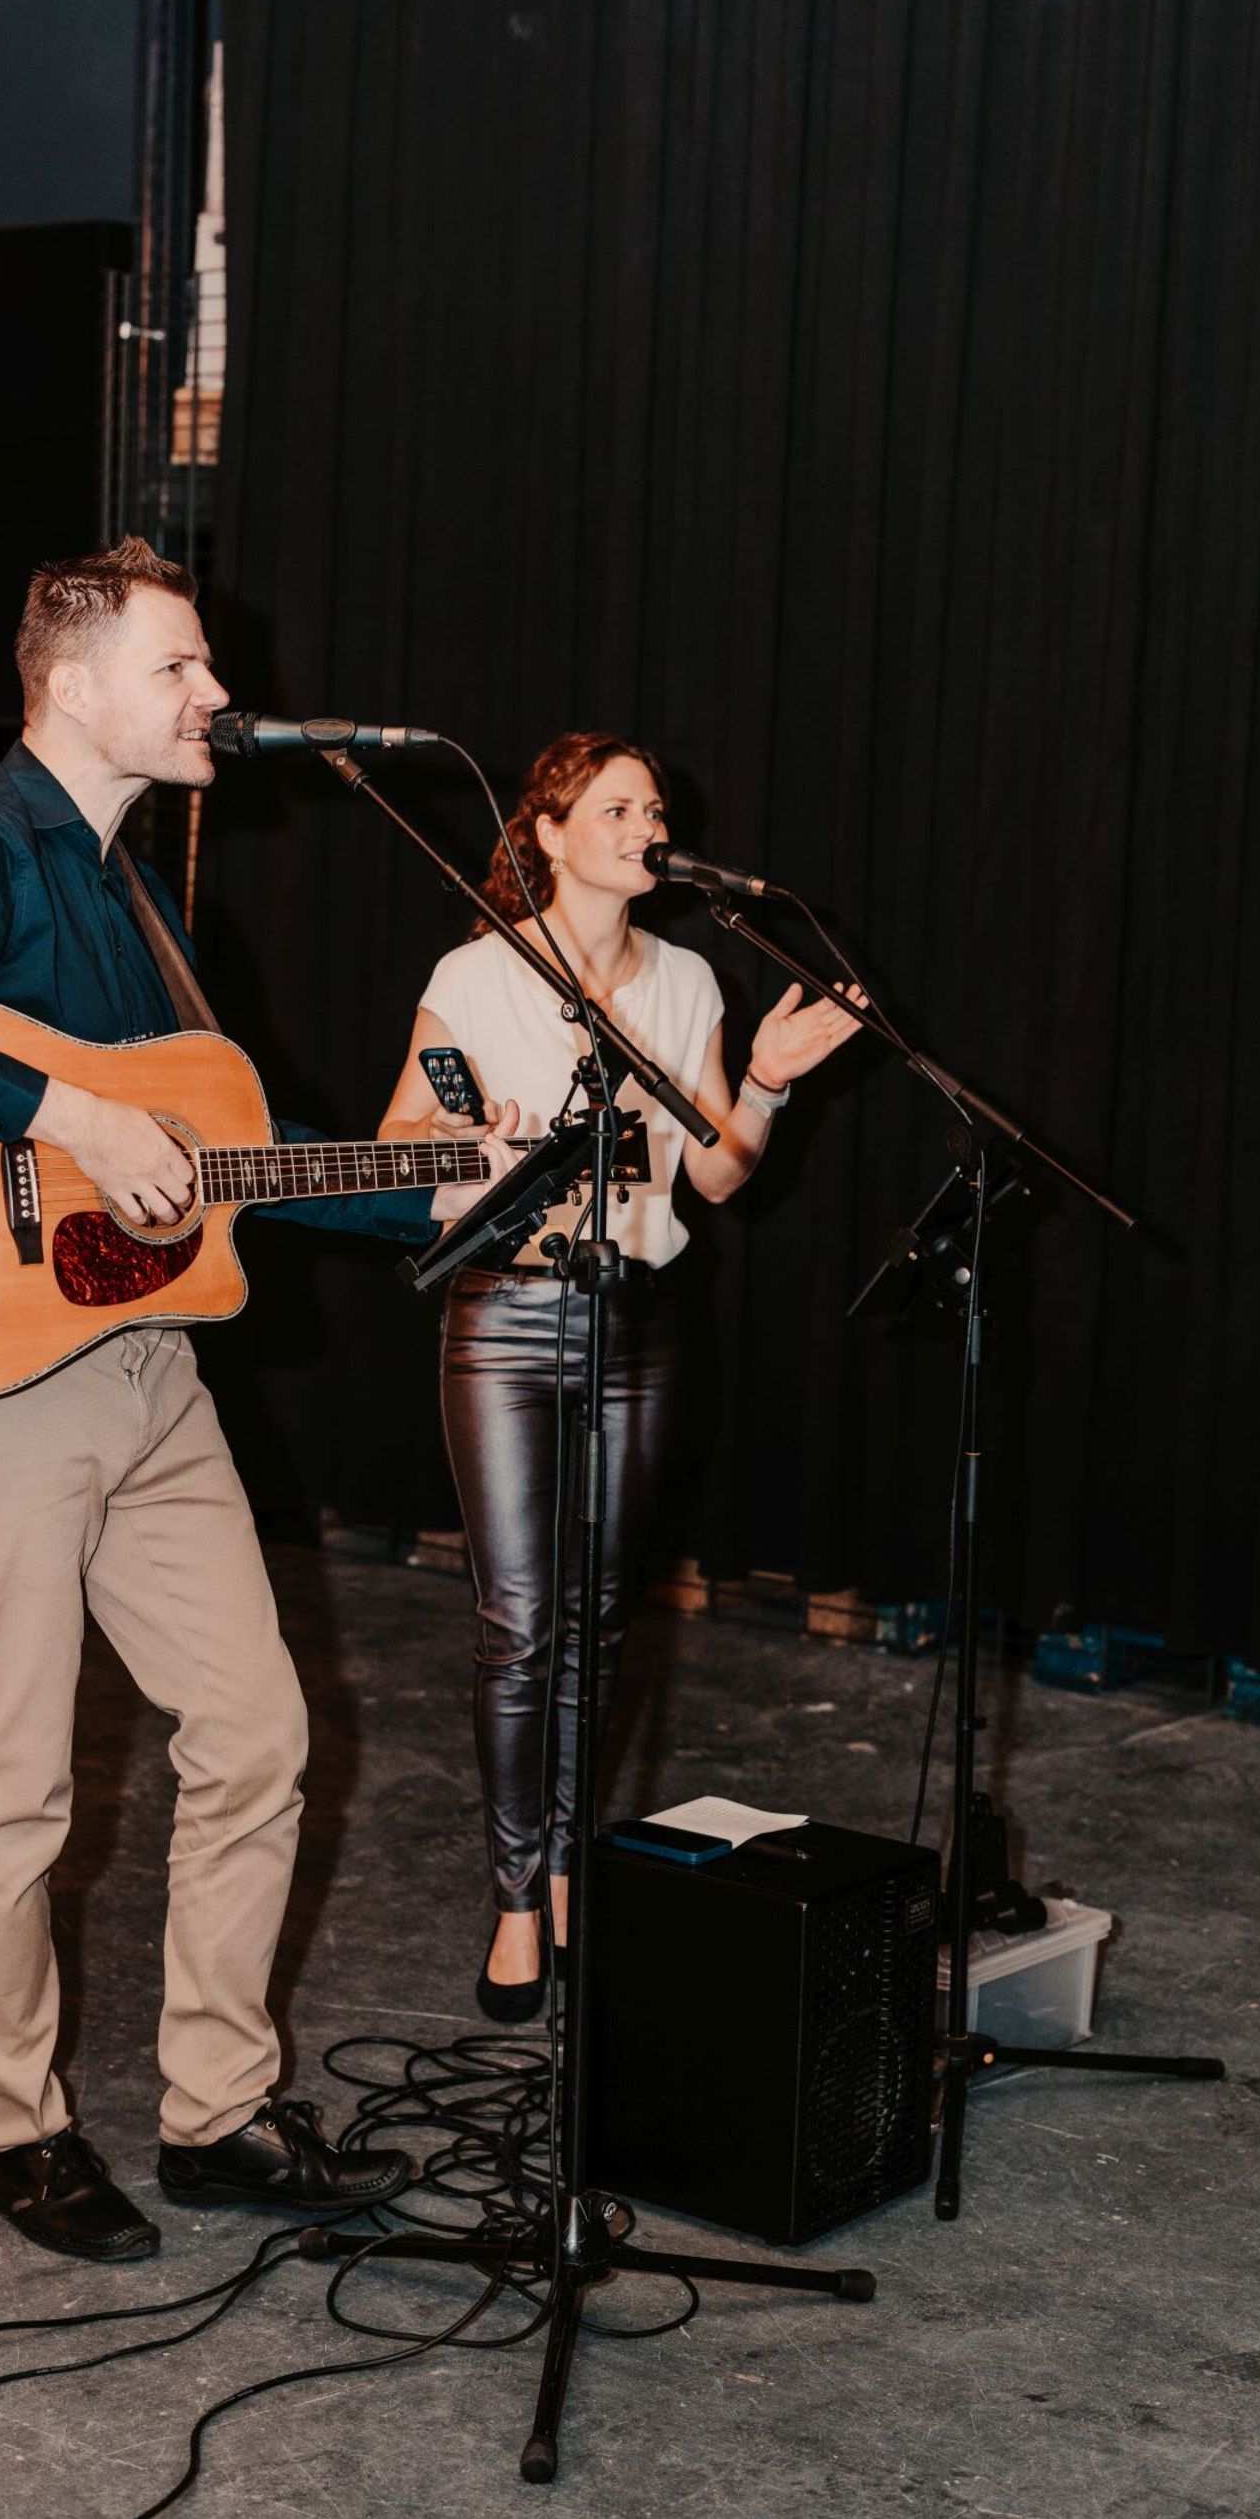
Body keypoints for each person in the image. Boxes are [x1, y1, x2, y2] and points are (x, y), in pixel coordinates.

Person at [0, 539, 463, 2259]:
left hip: (153, 1375)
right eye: (180, 667)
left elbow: (234, 1163)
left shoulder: (146, 901)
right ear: (74, 683)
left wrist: (459, 1191)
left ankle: (219, 2110)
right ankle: (14, 2127)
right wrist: (64, 1118)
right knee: (12, 1787)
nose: (216, 697)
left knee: (258, 1733)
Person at [379, 731, 863, 2018]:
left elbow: (714, 1170)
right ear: (547, 830)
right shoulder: (476, 976)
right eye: (618, 804)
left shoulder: (690, 979)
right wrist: (458, 1137)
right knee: (519, 1624)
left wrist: (763, 1085)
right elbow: (396, 1145)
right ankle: (517, 1895)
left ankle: (571, 1863)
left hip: (639, 1322)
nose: (648, 822)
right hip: (504, 1317)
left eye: (657, 805)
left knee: (597, 1623)